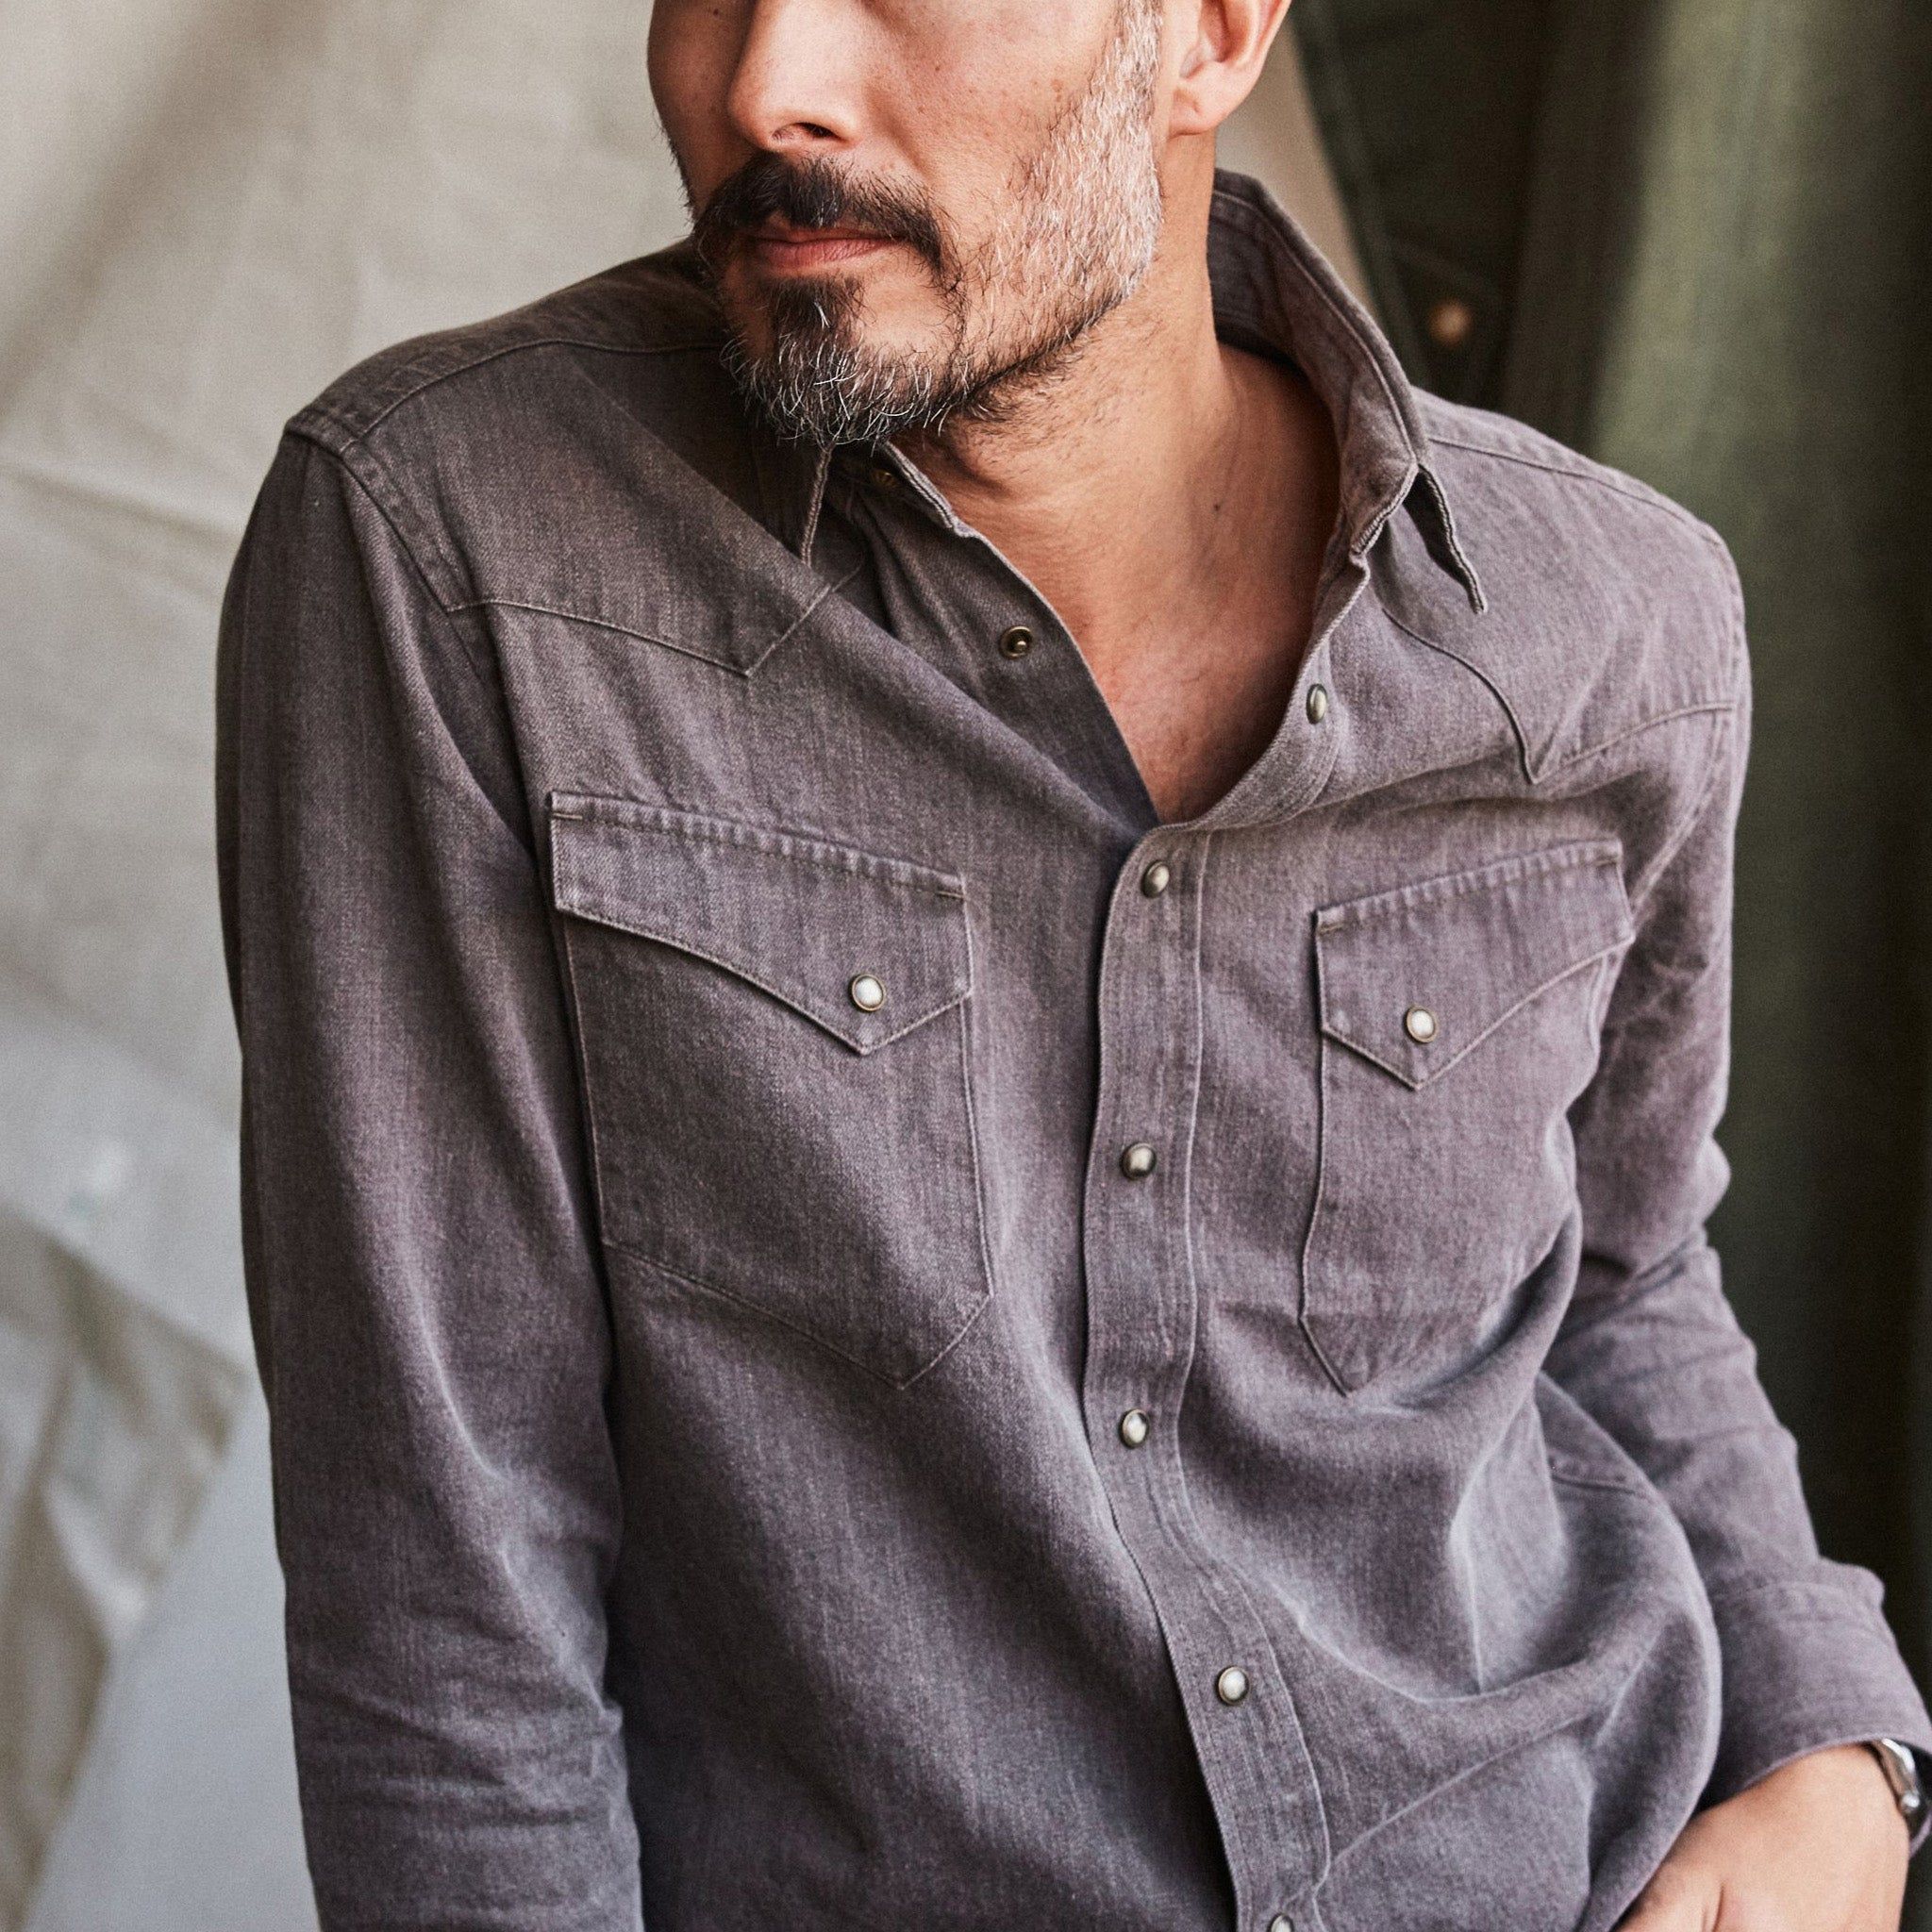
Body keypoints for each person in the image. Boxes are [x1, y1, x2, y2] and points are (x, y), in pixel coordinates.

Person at [213, 1, 1932, 1926]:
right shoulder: (457, 557)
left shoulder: (1611, 619)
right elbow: (446, 1590)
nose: (764, 82)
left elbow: (1620, 1272)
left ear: (1211, 32)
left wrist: (1833, 1745)